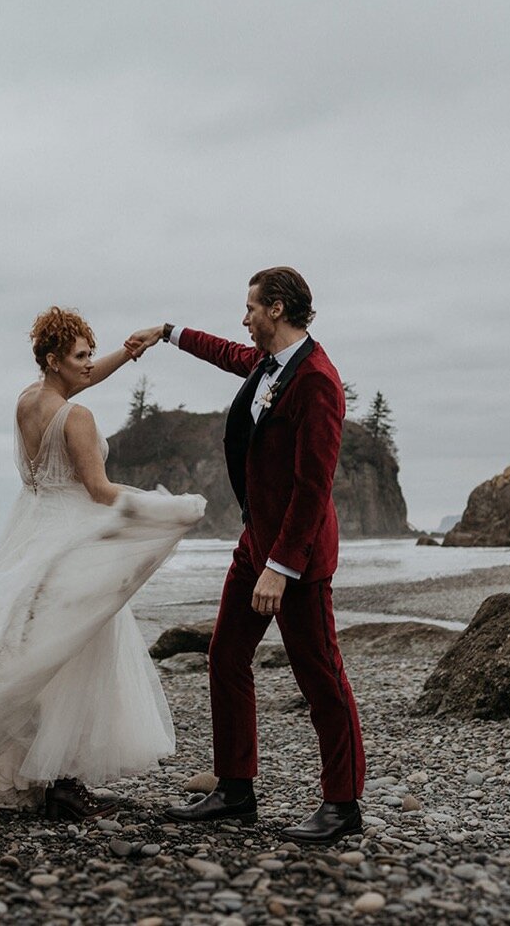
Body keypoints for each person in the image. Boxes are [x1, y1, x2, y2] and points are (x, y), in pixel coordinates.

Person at [0, 307, 205, 822]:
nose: (90, 364)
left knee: (26, 653)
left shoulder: (30, 400)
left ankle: (31, 774)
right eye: (81, 356)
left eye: (92, 353)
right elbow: (98, 490)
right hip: (69, 543)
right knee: (71, 656)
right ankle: (62, 782)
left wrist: (136, 349)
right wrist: (167, 508)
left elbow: (75, 391)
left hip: (29, 534)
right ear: (54, 360)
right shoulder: (79, 418)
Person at [126, 267, 366, 844]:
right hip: (254, 542)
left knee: (321, 676)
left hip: (297, 558)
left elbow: (314, 488)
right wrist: (168, 332)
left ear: (277, 309)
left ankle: (343, 804)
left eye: (252, 307)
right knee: (226, 655)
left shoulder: (317, 382)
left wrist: (281, 569)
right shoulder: (269, 364)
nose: (245, 317)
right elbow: (229, 352)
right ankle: (235, 791)